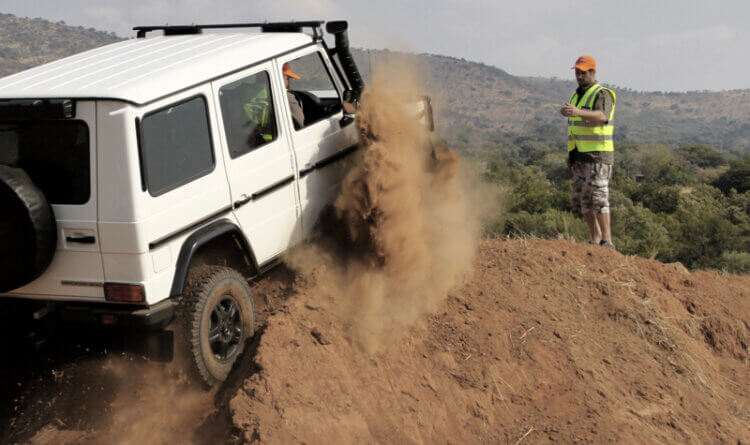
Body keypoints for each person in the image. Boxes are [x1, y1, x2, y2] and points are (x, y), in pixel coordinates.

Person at [559, 55, 617, 249]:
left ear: (593, 72)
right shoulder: (576, 95)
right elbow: (575, 128)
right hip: (579, 156)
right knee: (582, 199)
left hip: (598, 155)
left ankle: (607, 241)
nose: (579, 76)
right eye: (577, 72)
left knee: (599, 197)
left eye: (583, 72)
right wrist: (571, 157)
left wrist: (578, 112)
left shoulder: (602, 94)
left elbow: (602, 116)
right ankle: (595, 239)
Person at [283, 62, 305, 129]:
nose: (288, 83)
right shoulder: (287, 98)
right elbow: (300, 125)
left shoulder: (253, 95)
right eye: (287, 78)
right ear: (279, 78)